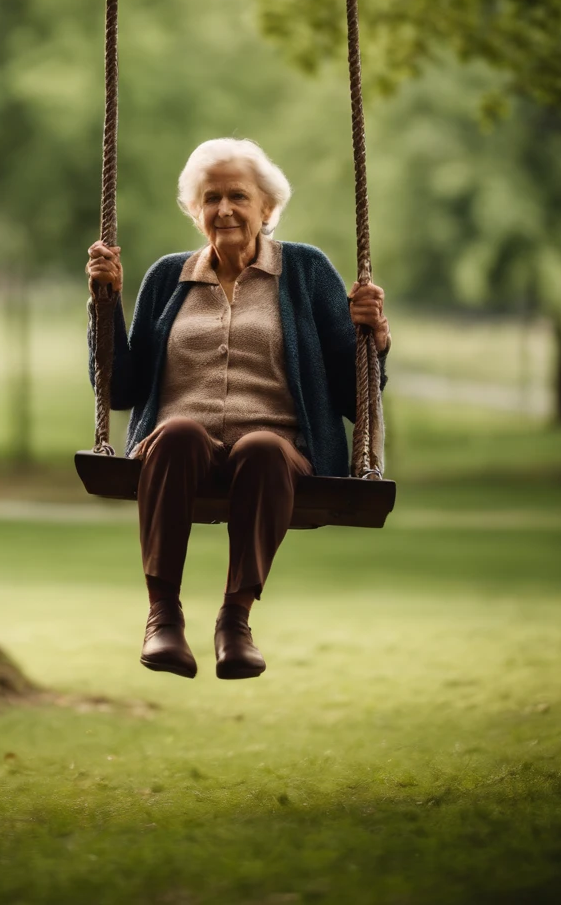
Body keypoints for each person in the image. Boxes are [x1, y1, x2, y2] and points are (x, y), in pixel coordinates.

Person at [86, 138, 390, 681]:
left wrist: (375, 339)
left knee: (262, 448)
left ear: (267, 208)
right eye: (211, 198)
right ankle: (163, 617)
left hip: (279, 449)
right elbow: (121, 389)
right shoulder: (166, 278)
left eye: (238, 196)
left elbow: (352, 395)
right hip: (182, 447)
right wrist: (104, 305)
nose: (223, 209)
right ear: (195, 210)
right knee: (177, 433)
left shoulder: (306, 271)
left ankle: (235, 620)